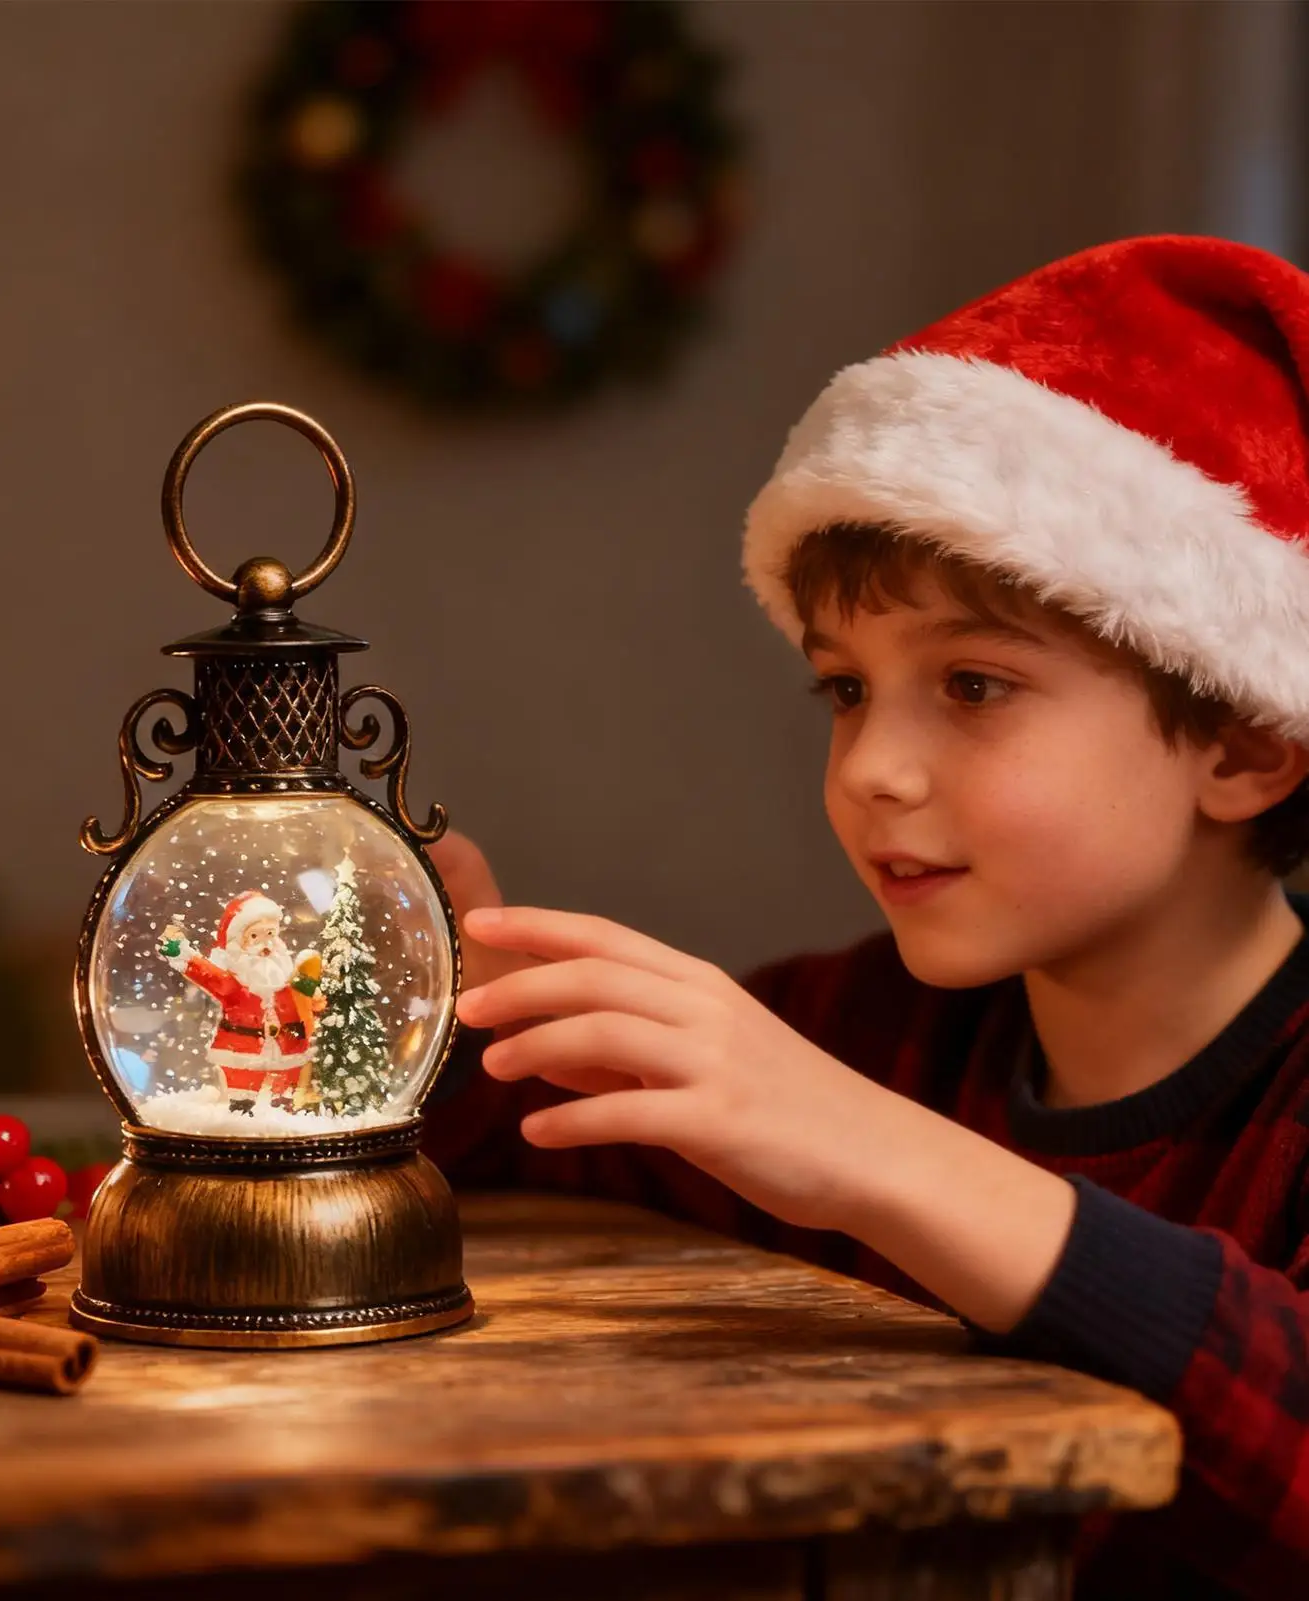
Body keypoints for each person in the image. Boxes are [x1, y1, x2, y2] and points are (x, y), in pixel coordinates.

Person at [421, 235, 1309, 1601]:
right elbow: (503, 1138)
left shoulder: (856, 1087)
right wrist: (438, 1017)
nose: (870, 769)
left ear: (1243, 744)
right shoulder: (863, 1031)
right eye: (844, 689)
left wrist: (878, 1152)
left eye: (971, 685)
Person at [160, 890, 324, 1108]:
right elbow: (207, 974)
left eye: (270, 933)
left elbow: (305, 1003)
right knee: (242, 1093)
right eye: (254, 936)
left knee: (285, 1094)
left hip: (289, 1050)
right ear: (238, 942)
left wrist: (316, 1002)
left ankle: (283, 1106)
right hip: (241, 1048)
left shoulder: (285, 979)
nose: (265, 944)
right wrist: (181, 954)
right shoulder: (234, 985)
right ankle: (242, 1108)